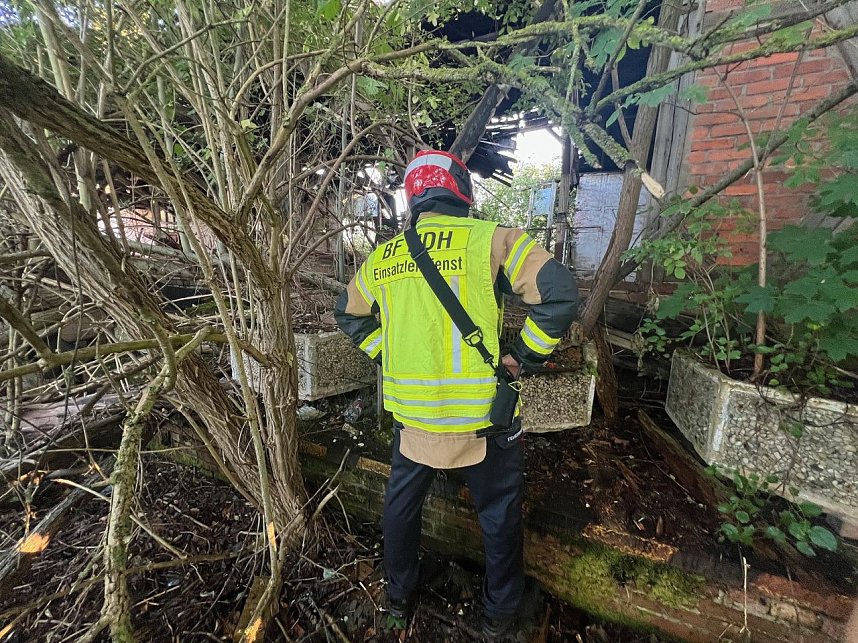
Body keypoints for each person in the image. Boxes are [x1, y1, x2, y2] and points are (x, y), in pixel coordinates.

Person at [335, 149, 579, 640]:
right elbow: (560, 295)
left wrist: (388, 355)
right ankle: (499, 616)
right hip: (483, 419)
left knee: (401, 507)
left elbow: (348, 313)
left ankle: (398, 598)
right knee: (498, 514)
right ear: (461, 190)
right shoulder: (493, 240)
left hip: (413, 419)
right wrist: (523, 357)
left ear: (414, 198)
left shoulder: (385, 257)